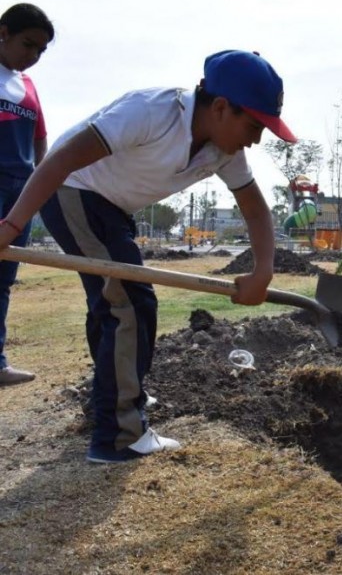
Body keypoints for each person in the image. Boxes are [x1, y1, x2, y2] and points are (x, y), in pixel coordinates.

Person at [0, 49, 296, 463]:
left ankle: (111, 396)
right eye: (255, 125)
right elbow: (62, 158)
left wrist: (262, 271)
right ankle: (119, 435)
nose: (257, 139)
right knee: (132, 303)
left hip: (111, 209)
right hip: (73, 192)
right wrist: (11, 227)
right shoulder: (153, 112)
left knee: (112, 303)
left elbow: (254, 207)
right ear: (222, 108)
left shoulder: (224, 151)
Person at [0, 4, 54, 387]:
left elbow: (39, 138)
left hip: (21, 190)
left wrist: (41, 183)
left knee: (2, 280)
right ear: (3, 31)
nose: (33, 55)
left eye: (41, 50)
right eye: (28, 44)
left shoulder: (27, 85)